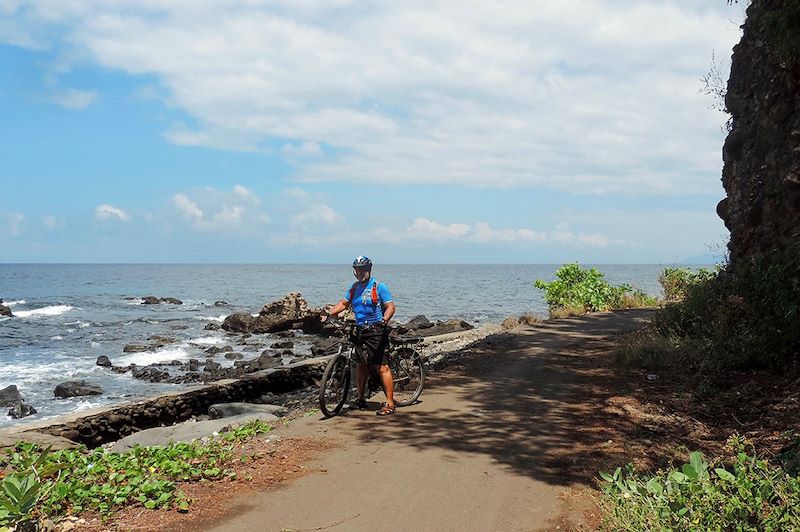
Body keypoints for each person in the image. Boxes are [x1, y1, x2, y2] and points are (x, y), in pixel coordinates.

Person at [322, 256, 397, 416]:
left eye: (363, 270)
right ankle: (360, 398)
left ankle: (390, 403)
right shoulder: (354, 288)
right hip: (359, 329)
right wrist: (328, 314)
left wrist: (384, 320)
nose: (359, 273)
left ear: (369, 270)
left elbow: (390, 306)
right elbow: (343, 304)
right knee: (361, 364)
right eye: (357, 270)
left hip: (376, 329)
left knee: (381, 366)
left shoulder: (379, 286)